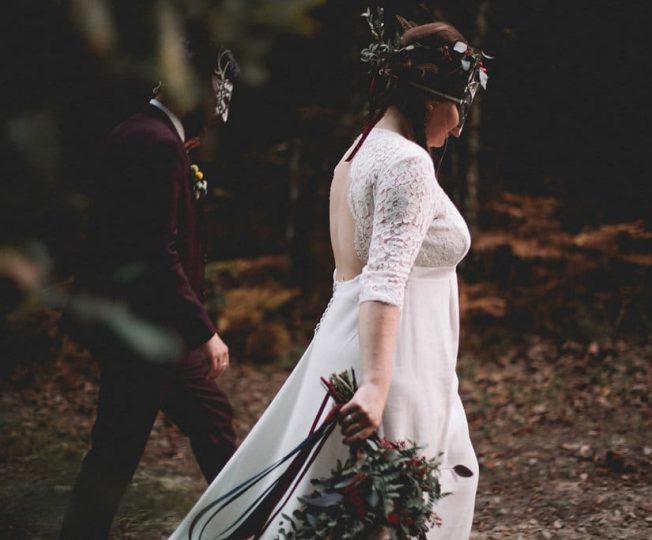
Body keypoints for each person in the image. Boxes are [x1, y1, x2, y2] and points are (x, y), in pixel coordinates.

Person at [171, 13, 486, 540]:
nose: (457, 126)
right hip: (395, 363)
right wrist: (380, 384)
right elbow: (382, 279)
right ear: (430, 98)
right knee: (382, 515)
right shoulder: (407, 162)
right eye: (458, 109)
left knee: (348, 511)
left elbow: (353, 275)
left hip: (362, 348)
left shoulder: (357, 152)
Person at [60, 30, 242, 540]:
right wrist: (203, 329)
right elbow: (155, 250)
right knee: (116, 451)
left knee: (211, 421)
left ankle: (250, 526)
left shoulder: (141, 133)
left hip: (151, 325)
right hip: (141, 330)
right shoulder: (156, 145)